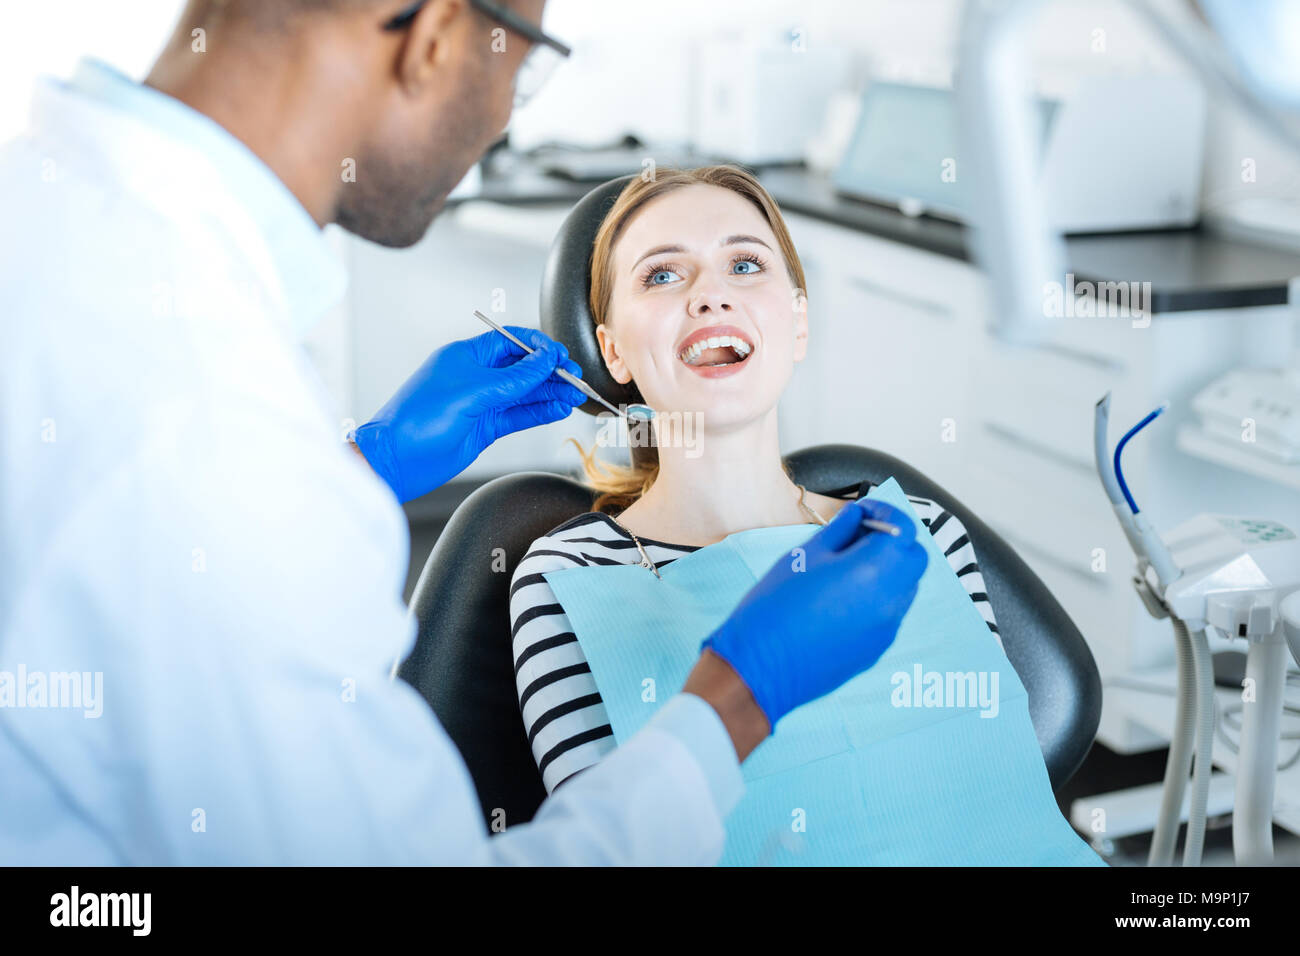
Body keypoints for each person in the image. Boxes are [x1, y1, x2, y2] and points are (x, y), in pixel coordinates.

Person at [0, 0, 925, 864]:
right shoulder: (199, 410)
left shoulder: (56, 223)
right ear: (439, 35)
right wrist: (737, 701)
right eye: (520, 78)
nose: (499, 124)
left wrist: (361, 469)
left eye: (745, 263)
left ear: (801, 318)